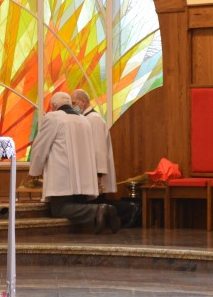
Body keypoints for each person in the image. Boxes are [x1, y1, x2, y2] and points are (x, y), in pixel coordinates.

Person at [28, 92, 120, 233]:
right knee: (77, 204)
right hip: (84, 178)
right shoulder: (84, 120)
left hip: (62, 177)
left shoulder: (53, 118)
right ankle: (100, 214)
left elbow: (40, 147)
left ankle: (98, 210)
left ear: (54, 106)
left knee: (59, 209)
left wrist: (35, 171)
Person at [71, 89, 140, 228]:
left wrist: (98, 175)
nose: (72, 106)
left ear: (83, 102)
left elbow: (99, 150)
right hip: (91, 173)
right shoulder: (86, 119)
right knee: (95, 204)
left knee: (97, 203)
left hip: (96, 175)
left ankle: (132, 210)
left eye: (73, 103)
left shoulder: (94, 120)